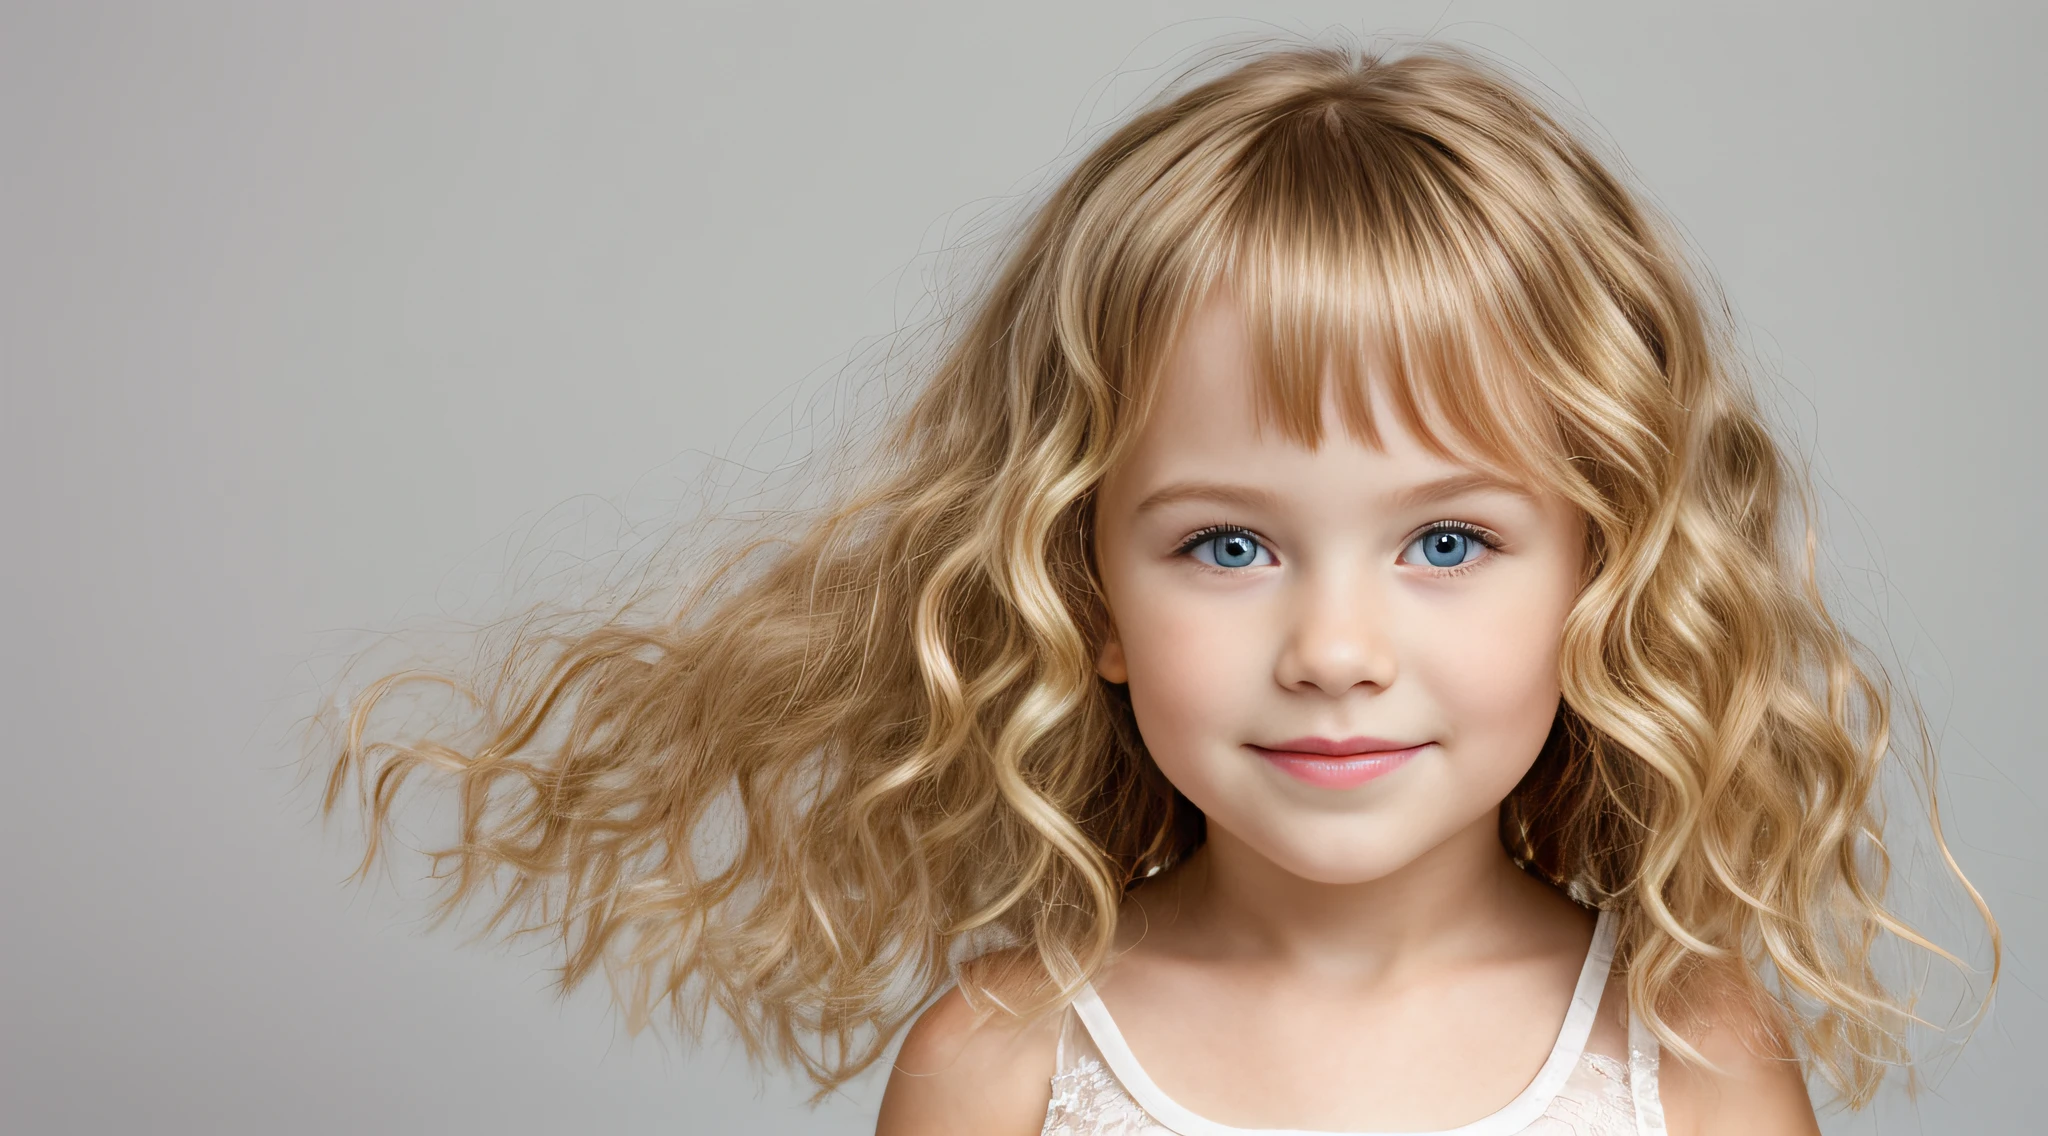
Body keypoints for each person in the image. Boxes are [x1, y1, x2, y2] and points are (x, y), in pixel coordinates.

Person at [320, 41, 1996, 1136]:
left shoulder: (1688, 1062)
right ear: (1085, 593)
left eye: (1445, 544)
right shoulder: (1004, 1063)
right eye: (1229, 545)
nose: (1335, 651)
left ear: (1604, 577)